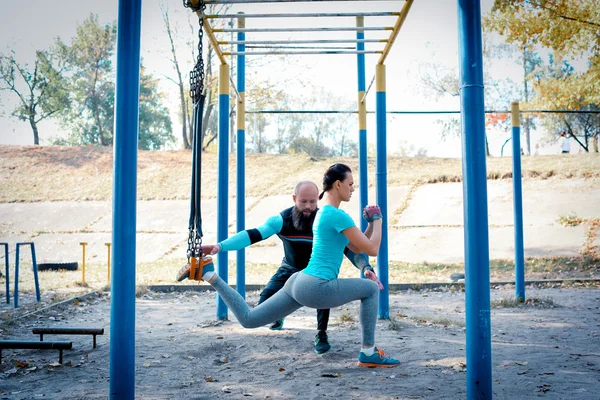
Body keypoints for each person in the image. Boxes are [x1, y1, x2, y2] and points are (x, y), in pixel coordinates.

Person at [177, 163, 400, 368]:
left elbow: (358, 247)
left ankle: (209, 274)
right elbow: (373, 249)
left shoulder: (325, 214)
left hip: (298, 281)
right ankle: (368, 352)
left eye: (312, 201)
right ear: (338, 184)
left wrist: (369, 236)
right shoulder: (334, 215)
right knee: (370, 290)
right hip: (313, 284)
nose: (353, 189)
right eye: (351, 185)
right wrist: (379, 220)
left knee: (249, 319)